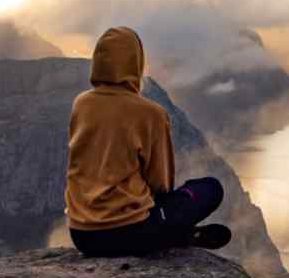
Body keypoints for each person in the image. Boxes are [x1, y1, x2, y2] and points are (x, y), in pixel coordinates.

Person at [65, 26, 231, 257]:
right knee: (210, 188)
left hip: (82, 235)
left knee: (164, 214)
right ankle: (178, 234)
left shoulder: (81, 104)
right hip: (132, 233)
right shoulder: (150, 113)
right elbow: (160, 184)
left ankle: (174, 234)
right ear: (136, 63)